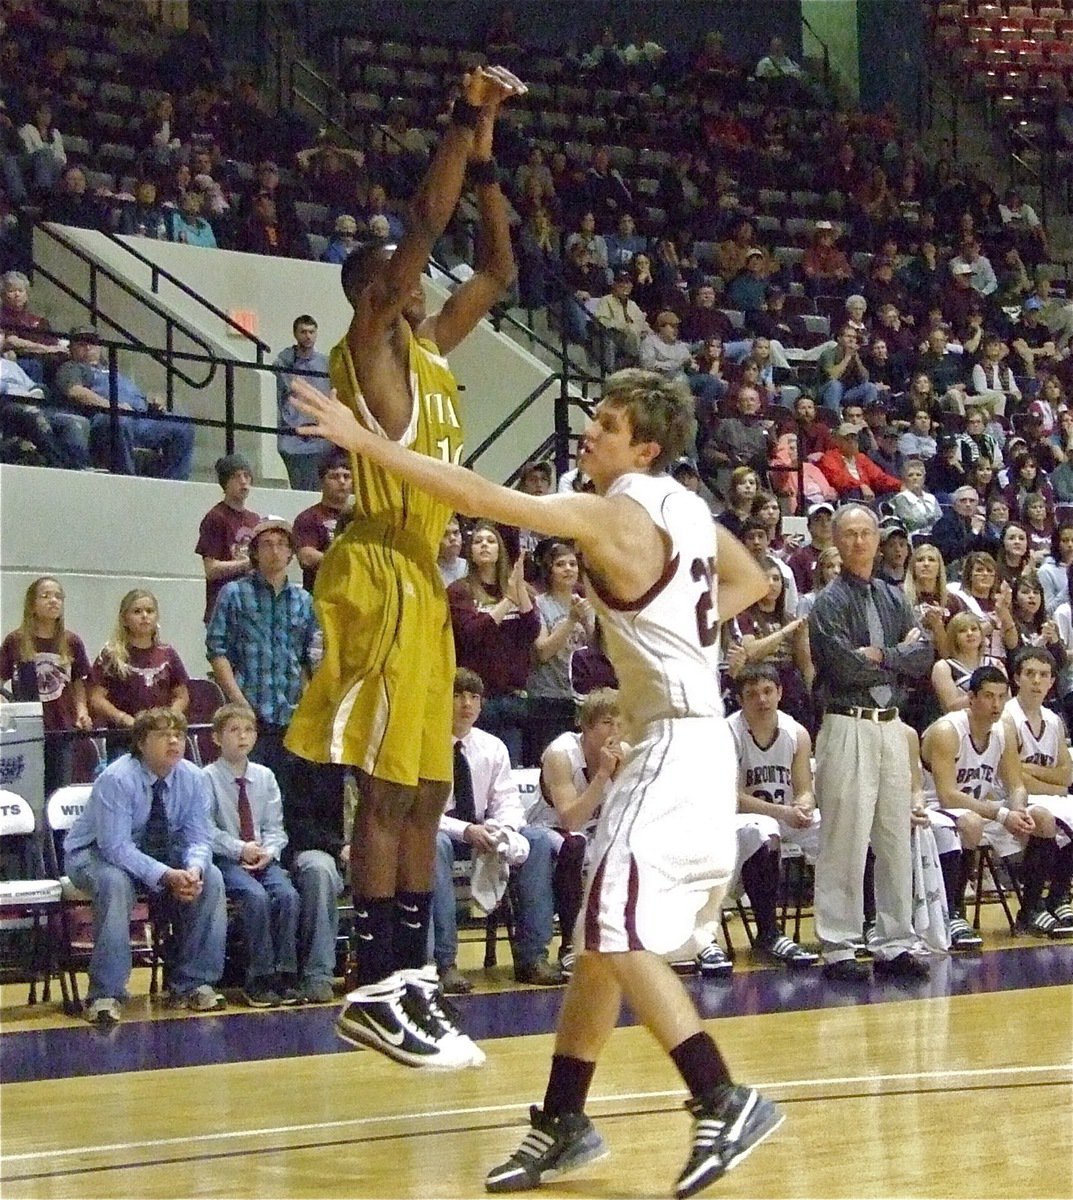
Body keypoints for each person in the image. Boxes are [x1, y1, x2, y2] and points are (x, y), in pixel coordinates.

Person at [291, 365, 780, 1196]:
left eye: (608, 424)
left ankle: (720, 1095)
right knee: (597, 937)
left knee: (618, 932)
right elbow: (751, 581)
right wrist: (663, 632)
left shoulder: (610, 509)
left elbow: (478, 496)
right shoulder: (687, 507)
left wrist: (363, 442)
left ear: (644, 446)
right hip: (689, 737)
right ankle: (562, 1120)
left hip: (669, 744)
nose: (589, 431)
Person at [281, 66, 528, 1071]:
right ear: (374, 292)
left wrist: (489, 166)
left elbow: (498, 273)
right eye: (401, 274)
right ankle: (371, 985)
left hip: (421, 581)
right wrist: (461, 119)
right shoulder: (369, 345)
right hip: (374, 571)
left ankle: (411, 982)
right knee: (383, 793)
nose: (420, 280)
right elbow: (422, 226)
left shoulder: (431, 349)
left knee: (428, 788)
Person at [808, 505, 934, 982]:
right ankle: (839, 945)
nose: (859, 542)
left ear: (878, 539)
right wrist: (896, 658)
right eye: (850, 535)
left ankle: (895, 940)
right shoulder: (828, 603)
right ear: (836, 544)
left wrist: (883, 654)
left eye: (866, 533)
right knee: (845, 837)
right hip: (847, 724)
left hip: (890, 724)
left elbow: (923, 654)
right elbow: (842, 666)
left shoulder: (893, 596)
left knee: (893, 835)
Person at [63, 708, 227, 1025]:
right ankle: (105, 995)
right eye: (163, 735)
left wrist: (193, 870)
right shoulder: (116, 779)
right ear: (141, 742)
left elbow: (199, 837)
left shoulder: (193, 777)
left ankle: (194, 983)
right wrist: (165, 875)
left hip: (162, 853)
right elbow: (115, 847)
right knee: (114, 883)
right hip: (92, 855)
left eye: (178, 735)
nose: (173, 741)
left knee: (213, 877)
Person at [432, 669, 564, 996]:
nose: (466, 704)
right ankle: (444, 963)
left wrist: (500, 831)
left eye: (474, 697)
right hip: (445, 831)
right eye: (458, 695)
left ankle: (533, 957)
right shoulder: (426, 744)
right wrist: (466, 831)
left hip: (485, 832)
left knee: (536, 840)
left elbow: (508, 802)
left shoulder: (493, 747)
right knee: (433, 845)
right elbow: (422, 813)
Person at [919, 666, 1037, 947]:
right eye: (988, 696)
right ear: (971, 698)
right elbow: (947, 795)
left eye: (1001, 697)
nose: (996, 704)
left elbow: (1016, 785)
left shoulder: (1003, 731)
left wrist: (1018, 810)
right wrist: (1002, 813)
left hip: (977, 808)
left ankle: (1038, 906)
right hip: (931, 809)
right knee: (970, 823)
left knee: (1040, 819)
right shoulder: (948, 730)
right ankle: (954, 911)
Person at [204, 704, 308, 1007]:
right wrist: (240, 849)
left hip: (262, 857)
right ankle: (259, 977)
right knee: (255, 897)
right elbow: (205, 830)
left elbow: (276, 828)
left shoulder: (265, 777)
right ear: (216, 738)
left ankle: (286, 973)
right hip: (227, 858)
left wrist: (269, 851)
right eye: (234, 731)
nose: (242, 737)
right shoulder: (206, 778)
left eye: (248, 730)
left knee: (287, 896)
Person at [207, 518, 318, 789]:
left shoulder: (304, 600)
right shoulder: (233, 594)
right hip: (249, 710)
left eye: (282, 544)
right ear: (254, 552)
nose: (275, 551)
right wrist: (238, 700)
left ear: (291, 553)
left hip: (291, 714)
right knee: (248, 789)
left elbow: (308, 657)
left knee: (289, 797)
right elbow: (217, 650)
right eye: (267, 544)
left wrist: (305, 702)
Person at [727, 664, 820, 962]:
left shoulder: (797, 732)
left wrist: (804, 803)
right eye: (752, 694)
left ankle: (857, 923)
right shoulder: (727, 733)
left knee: (840, 829)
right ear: (740, 700)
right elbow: (732, 798)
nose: (762, 700)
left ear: (780, 693)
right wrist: (781, 811)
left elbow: (804, 787)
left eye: (768, 691)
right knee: (764, 830)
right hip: (738, 820)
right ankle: (768, 931)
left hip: (785, 816)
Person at [530, 689, 624, 979]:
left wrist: (620, 775)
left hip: (597, 833)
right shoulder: (560, 754)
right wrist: (603, 775)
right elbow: (570, 819)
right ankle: (571, 944)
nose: (616, 732)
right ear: (585, 725)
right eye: (608, 723)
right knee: (575, 844)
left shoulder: (627, 755)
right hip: (548, 833)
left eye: (621, 724)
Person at [448, 521, 540, 764]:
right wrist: (508, 600)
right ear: (470, 551)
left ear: (500, 550)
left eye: (490, 541)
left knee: (508, 770)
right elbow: (472, 633)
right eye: (478, 542)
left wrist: (517, 589)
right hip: (478, 698)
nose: (484, 545)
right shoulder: (460, 591)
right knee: (476, 766)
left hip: (513, 697)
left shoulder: (516, 590)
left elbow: (531, 631)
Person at [53, 325, 195, 479]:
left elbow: (135, 396)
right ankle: (127, 478)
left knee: (181, 425)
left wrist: (152, 403)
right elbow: (75, 392)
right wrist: (113, 406)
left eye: (92, 342)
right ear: (71, 348)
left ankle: (173, 481)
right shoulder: (71, 367)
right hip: (106, 418)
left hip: (138, 418)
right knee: (119, 421)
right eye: (81, 343)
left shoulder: (113, 371)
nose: (88, 347)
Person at [0, 575, 91, 796]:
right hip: (26, 728)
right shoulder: (16, 640)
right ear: (32, 604)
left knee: (59, 788)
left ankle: (56, 832)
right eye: (46, 596)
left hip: (61, 726)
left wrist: (82, 711)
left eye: (58, 596)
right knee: (26, 787)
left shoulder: (72, 642)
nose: (53, 601)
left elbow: (78, 683)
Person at [1003, 652, 1073, 937]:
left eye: (1044, 675)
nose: (1036, 680)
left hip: (1047, 795)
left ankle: (1059, 895)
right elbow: (1012, 775)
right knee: (1045, 818)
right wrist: (1053, 784)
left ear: (1052, 681)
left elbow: (1066, 775)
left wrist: (1034, 773)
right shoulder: (1007, 717)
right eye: (1030, 673)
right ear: (1017, 677)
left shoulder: (1053, 720)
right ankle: (1031, 907)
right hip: (1009, 797)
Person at [87, 589, 190, 744]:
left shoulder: (168, 654)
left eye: (149, 611)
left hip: (161, 737)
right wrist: (122, 718)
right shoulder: (111, 655)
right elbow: (96, 698)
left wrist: (168, 718)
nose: (144, 616)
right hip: (123, 737)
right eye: (137, 611)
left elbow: (182, 695)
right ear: (124, 619)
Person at [526, 542, 595, 764]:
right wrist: (572, 620)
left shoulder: (589, 605)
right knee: (551, 762)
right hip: (548, 698)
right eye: (560, 564)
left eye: (573, 564)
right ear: (549, 570)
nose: (568, 569)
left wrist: (586, 621)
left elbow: (597, 651)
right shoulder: (539, 603)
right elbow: (542, 651)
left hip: (581, 699)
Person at [195, 452, 261, 623]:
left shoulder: (255, 519)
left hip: (250, 607)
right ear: (225, 482)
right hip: (223, 609)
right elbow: (211, 569)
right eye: (236, 476)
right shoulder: (216, 517)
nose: (243, 481)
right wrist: (248, 563)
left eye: (247, 475)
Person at [274, 314, 332, 491]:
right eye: (303, 332)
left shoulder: (326, 364)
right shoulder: (283, 363)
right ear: (295, 334)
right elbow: (278, 398)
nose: (307, 336)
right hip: (293, 437)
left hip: (320, 436)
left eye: (311, 332)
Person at [292, 451, 354, 592]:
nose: (342, 482)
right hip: (321, 597)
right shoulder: (309, 517)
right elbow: (306, 557)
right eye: (334, 476)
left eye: (347, 476)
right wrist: (349, 564)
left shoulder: (361, 517)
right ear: (321, 481)